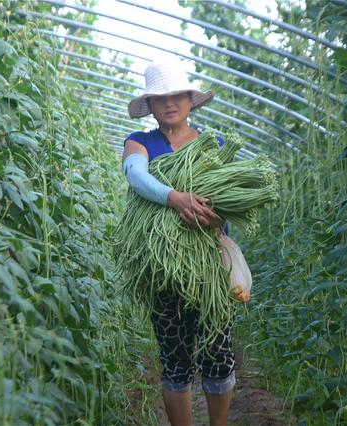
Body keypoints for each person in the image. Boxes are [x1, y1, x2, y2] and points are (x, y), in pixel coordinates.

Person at [121, 59, 236, 426]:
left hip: (211, 265)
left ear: (190, 100)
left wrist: (214, 215)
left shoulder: (212, 144)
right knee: (176, 359)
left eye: (176, 96)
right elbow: (136, 176)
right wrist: (175, 197)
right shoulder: (139, 143)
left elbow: (231, 199)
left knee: (219, 355)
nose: (169, 103)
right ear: (150, 107)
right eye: (160, 98)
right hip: (162, 267)